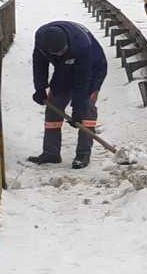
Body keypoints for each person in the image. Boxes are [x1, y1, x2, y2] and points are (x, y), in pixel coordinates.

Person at [27, 19, 108, 168]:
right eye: (57, 53)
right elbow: (39, 63)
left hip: (92, 69)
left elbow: (82, 80)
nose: (60, 53)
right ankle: (51, 153)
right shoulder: (41, 39)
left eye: (62, 51)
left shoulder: (82, 44)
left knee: (86, 110)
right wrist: (40, 88)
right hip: (63, 68)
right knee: (53, 106)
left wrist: (78, 108)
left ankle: (83, 154)